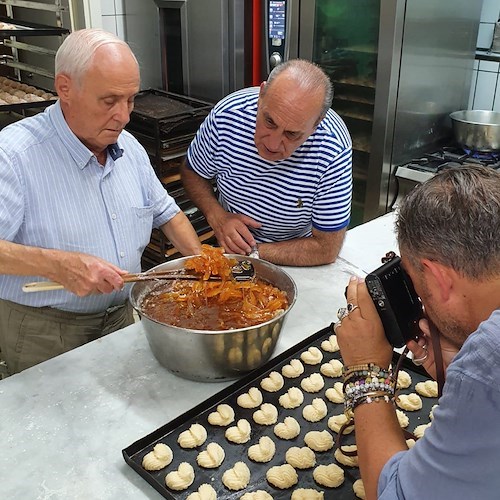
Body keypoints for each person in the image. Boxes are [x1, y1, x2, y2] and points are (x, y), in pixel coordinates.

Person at [0, 29, 201, 375]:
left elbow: (168, 214)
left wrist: (203, 269)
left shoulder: (130, 149)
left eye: (131, 100)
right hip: (47, 330)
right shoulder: (15, 155)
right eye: (109, 101)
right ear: (65, 88)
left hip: (123, 315)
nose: (124, 116)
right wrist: (56, 265)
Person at [335, 165, 500, 499]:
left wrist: (367, 369)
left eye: (420, 291)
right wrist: (463, 375)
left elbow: (394, 494)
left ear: (438, 279)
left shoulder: (489, 362)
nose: (422, 302)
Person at [180, 59, 352, 266]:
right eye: (269, 121)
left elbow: (326, 248)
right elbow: (192, 172)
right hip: (231, 249)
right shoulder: (227, 116)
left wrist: (252, 253)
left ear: (316, 124)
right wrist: (216, 215)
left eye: (292, 134)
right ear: (261, 95)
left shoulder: (333, 148)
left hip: (300, 257)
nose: (272, 143)